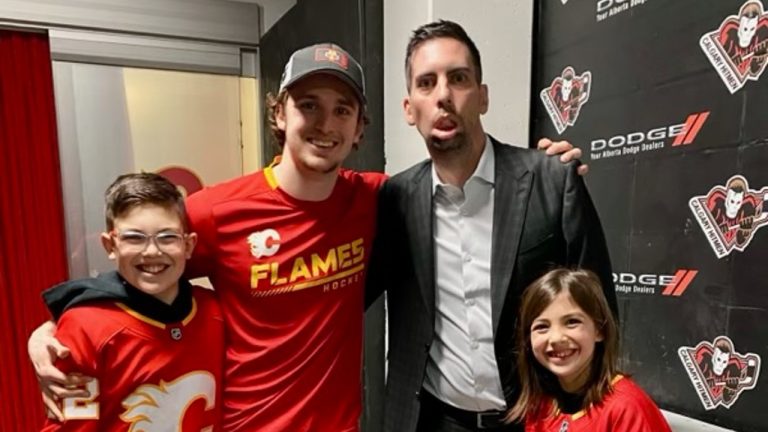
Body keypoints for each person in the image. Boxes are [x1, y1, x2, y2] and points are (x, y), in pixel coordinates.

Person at [29, 42, 584, 431]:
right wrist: (55, 326)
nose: (326, 123)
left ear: (361, 127)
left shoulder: (380, 199)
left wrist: (540, 170)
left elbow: (460, 179)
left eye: (342, 110)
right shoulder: (218, 212)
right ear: (279, 113)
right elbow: (141, 261)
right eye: (309, 105)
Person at [365, 20, 616, 432]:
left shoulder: (551, 180)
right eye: (426, 83)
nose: (444, 96)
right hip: (430, 420)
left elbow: (600, 306)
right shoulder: (395, 200)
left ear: (482, 97)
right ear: (409, 109)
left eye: (458, 78)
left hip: (535, 419)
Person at [40, 173, 224, 431]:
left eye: (167, 237)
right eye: (134, 238)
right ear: (110, 245)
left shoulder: (213, 311)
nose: (151, 251)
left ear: (188, 245)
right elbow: (71, 425)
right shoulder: (82, 329)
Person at [507, 269, 670, 432]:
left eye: (572, 322)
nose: (556, 338)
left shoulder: (626, 408)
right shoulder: (540, 405)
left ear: (599, 330)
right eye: (542, 327)